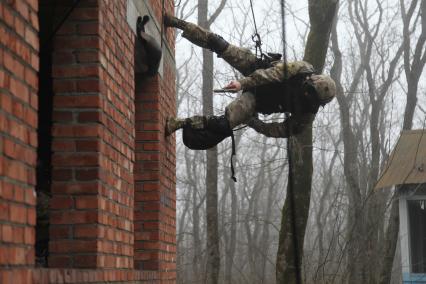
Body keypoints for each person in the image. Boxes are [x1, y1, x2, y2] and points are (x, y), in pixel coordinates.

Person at [163, 14, 336, 148]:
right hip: (256, 69)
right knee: (218, 43)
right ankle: (177, 23)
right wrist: (242, 83)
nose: (307, 94)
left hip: (257, 101)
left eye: (311, 97)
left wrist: (254, 123)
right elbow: (272, 74)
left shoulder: (306, 115)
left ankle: (178, 123)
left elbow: (280, 131)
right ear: (312, 78)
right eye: (309, 89)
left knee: (223, 124)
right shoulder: (302, 69)